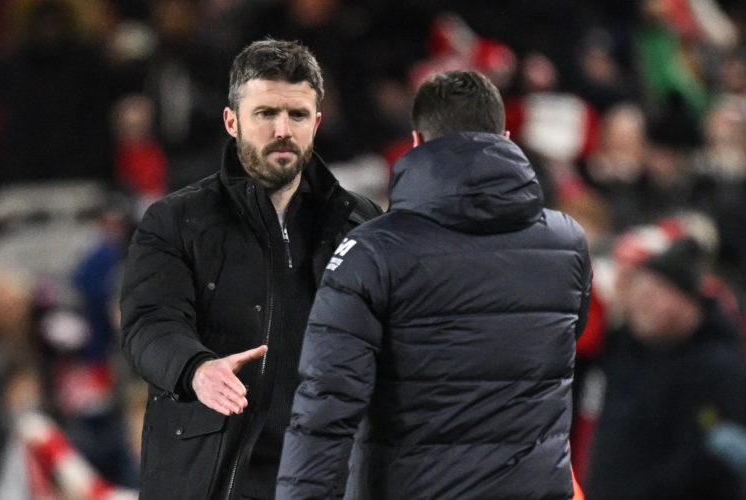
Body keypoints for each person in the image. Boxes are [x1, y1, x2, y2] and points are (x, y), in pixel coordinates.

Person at [276, 70, 593, 499]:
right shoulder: (567, 243)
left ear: (416, 142)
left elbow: (326, 405)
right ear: (504, 135)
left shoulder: (371, 254)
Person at [119, 38, 382, 500]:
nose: (283, 129)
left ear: (316, 123)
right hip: (209, 477)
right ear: (232, 121)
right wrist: (195, 368)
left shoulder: (362, 225)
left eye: (297, 115)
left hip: (326, 477)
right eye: (265, 113)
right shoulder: (175, 221)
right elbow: (149, 324)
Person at [584, 237, 746, 500]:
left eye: (653, 296)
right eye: (640, 295)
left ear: (685, 301)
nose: (642, 306)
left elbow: (708, 459)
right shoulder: (626, 349)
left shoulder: (717, 366)